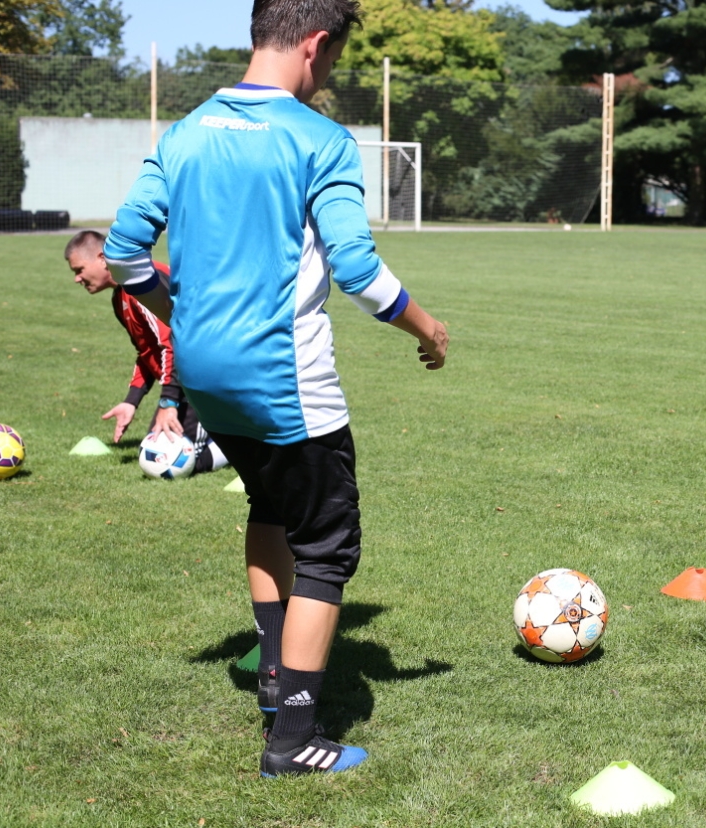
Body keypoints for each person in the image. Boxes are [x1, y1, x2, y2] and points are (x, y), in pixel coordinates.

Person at [103, 0, 449, 776]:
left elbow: (125, 256)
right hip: (282, 378)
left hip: (204, 376)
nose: (328, 78)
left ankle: (270, 673)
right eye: (332, 62)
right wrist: (427, 329)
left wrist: (183, 314)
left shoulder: (186, 132)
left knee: (270, 504)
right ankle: (292, 740)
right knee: (328, 546)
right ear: (317, 44)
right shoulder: (320, 140)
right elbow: (359, 272)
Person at [63, 230, 228, 475]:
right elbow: (147, 352)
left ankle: (243, 444)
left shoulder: (142, 286)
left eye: (79, 270)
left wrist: (168, 402)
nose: (77, 279)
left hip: (207, 373)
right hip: (183, 378)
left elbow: (175, 342)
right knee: (156, 457)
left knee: (182, 463)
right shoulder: (120, 298)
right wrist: (131, 402)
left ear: (101, 258)